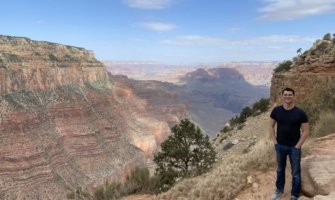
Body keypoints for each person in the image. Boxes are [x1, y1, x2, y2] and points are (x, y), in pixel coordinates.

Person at [269, 87, 309, 200]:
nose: (287, 96)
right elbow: (271, 126)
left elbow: (306, 131)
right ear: (282, 96)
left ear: (294, 96)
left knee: (296, 172)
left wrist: (298, 146)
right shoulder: (276, 111)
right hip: (280, 146)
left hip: (294, 147)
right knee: (280, 169)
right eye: (285, 94)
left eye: (290, 94)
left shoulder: (300, 113)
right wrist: (275, 142)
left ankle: (294, 195)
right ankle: (279, 191)